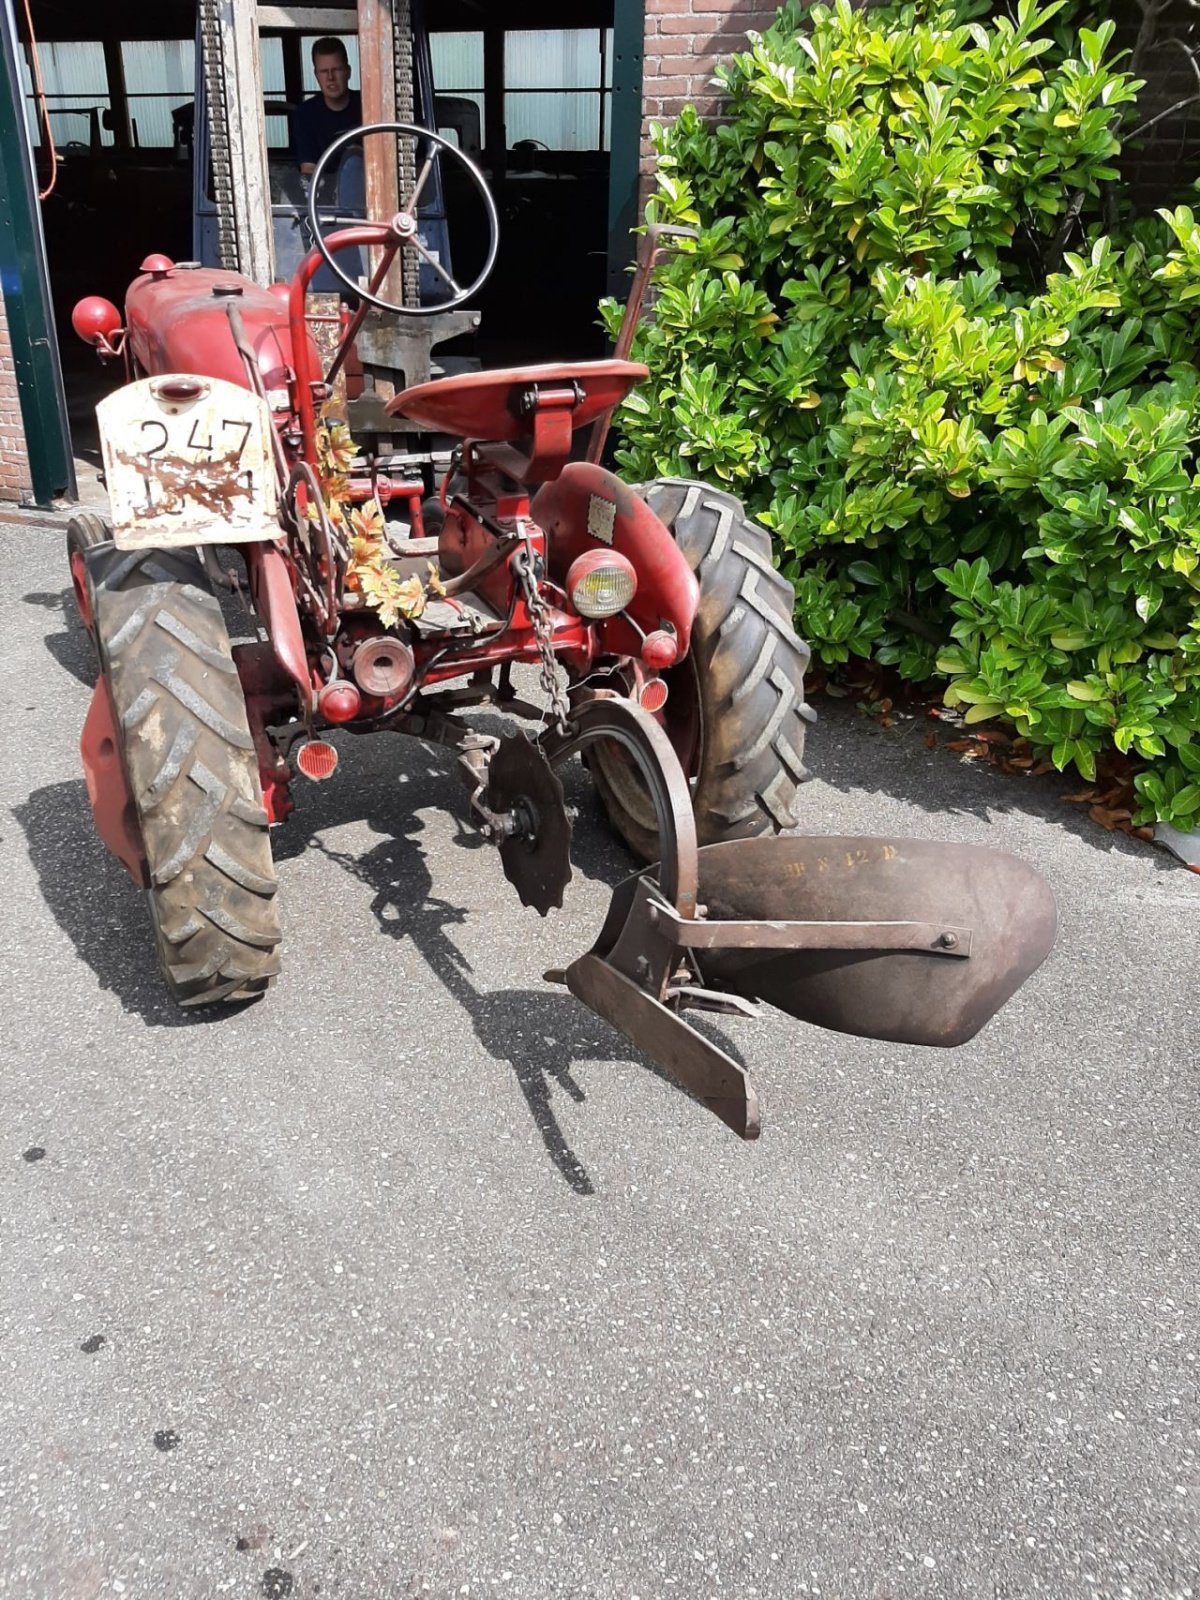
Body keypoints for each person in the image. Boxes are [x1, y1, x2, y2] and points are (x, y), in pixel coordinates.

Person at [290, 37, 362, 176]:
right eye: (324, 71)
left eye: (336, 69)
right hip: (323, 194)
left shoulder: (368, 106)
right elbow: (308, 170)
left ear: (348, 72)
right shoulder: (305, 114)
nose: (330, 77)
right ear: (316, 75)